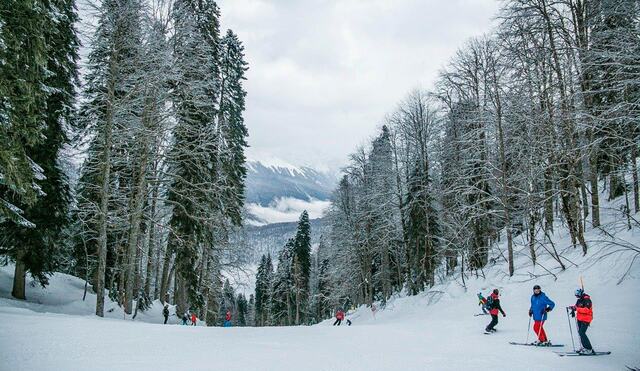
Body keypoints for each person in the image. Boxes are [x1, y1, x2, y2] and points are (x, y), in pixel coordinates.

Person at [569, 288, 594, 354]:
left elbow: (586, 310)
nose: (576, 296)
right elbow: (576, 306)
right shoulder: (579, 300)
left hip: (586, 318)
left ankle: (589, 349)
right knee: (580, 333)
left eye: (577, 295)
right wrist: (573, 308)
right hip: (580, 318)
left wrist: (577, 308)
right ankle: (584, 347)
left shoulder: (587, 300)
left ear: (580, 293)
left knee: (582, 333)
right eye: (575, 295)